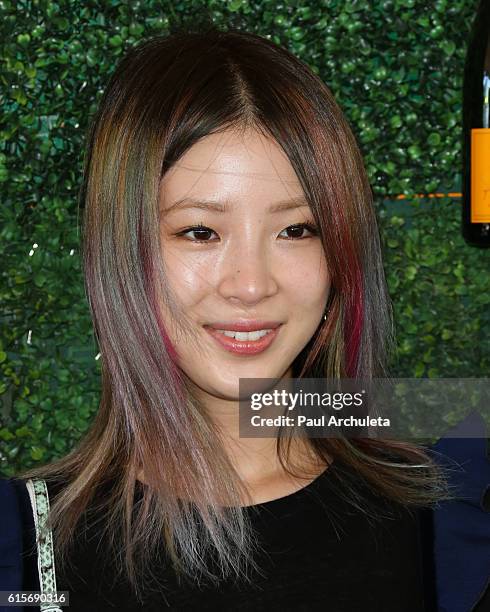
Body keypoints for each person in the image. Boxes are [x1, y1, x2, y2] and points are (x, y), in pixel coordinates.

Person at [0, 27, 473, 611]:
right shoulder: (29, 548)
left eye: (296, 229)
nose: (251, 284)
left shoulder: (438, 508)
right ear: (123, 248)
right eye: (200, 232)